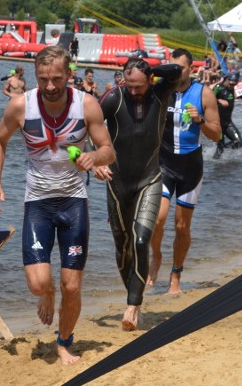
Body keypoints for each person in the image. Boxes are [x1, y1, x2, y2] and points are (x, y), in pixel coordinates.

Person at [0, 45, 115, 365]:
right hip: (38, 202)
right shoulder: (20, 106)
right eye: (43, 79)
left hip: (74, 201)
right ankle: (47, 293)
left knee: (72, 285)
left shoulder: (86, 105)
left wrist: (94, 157)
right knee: (38, 282)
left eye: (57, 78)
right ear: (35, 76)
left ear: (69, 75)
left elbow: (108, 149)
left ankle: (64, 341)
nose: (51, 86)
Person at [95, 57, 182, 331]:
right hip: (117, 181)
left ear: (150, 80)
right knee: (122, 247)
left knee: (141, 239)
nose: (133, 91)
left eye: (138, 86)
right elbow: (88, 126)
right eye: (128, 85)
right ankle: (135, 301)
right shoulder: (114, 98)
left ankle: (133, 305)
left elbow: (177, 71)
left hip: (149, 179)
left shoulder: (160, 91)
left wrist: (150, 70)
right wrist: (96, 160)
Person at [148, 49, 222, 295]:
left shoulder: (204, 93)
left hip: (191, 167)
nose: (176, 72)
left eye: (181, 68)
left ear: (192, 68)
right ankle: (156, 255)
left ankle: (176, 275)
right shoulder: (161, 90)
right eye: (173, 67)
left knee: (181, 227)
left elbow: (217, 134)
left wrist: (200, 120)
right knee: (157, 218)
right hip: (165, 163)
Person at [212, 72, 242, 159]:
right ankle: (214, 162)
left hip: (228, 122)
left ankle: (223, 147)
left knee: (238, 143)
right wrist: (218, 100)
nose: (232, 86)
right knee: (219, 150)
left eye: (234, 84)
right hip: (218, 124)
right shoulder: (218, 87)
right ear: (226, 79)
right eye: (231, 83)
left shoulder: (231, 89)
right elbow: (208, 99)